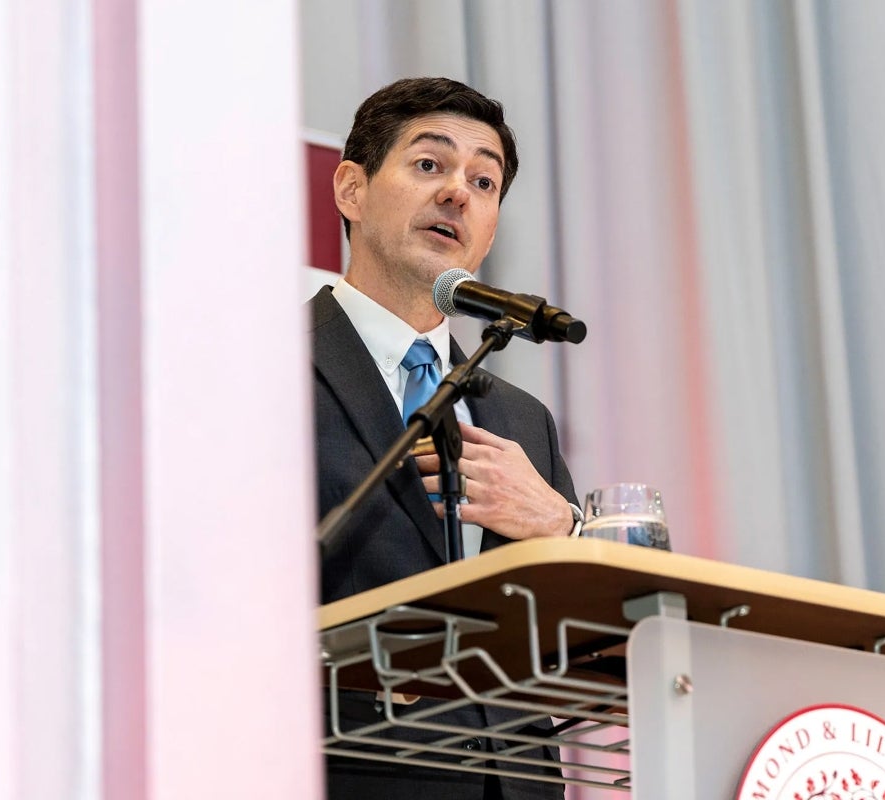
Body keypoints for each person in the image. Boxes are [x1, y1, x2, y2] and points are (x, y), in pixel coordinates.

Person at [309, 77, 580, 800]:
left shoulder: (522, 421)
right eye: (430, 165)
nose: (459, 192)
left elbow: (601, 628)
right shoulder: (262, 375)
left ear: (491, 227)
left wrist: (564, 528)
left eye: (483, 181)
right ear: (351, 191)